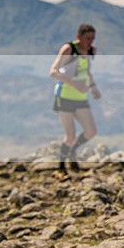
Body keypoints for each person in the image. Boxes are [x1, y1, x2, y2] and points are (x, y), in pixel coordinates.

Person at [49, 24, 101, 174]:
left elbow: (86, 71)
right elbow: (53, 72)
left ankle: (73, 151)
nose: (90, 42)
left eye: (92, 38)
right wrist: (74, 84)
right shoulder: (68, 49)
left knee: (91, 131)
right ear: (79, 37)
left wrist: (93, 87)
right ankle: (61, 167)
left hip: (81, 98)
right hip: (64, 96)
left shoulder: (91, 51)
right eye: (87, 38)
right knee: (70, 135)